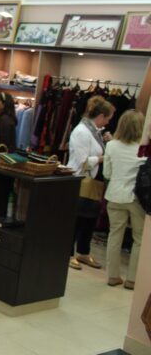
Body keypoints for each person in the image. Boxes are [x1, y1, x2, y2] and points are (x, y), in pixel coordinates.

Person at [66, 95, 115, 270]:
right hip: (80, 179)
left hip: (92, 181)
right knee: (77, 219)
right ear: (100, 116)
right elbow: (82, 161)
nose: (108, 122)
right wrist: (103, 158)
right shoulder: (82, 131)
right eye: (107, 119)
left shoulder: (95, 132)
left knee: (89, 219)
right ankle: (67, 253)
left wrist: (108, 143)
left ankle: (83, 252)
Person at [103, 109, 146, 289]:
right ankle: (132, 279)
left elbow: (107, 173)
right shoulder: (144, 150)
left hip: (114, 195)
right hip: (136, 198)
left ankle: (113, 276)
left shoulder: (111, 146)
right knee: (139, 239)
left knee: (114, 235)